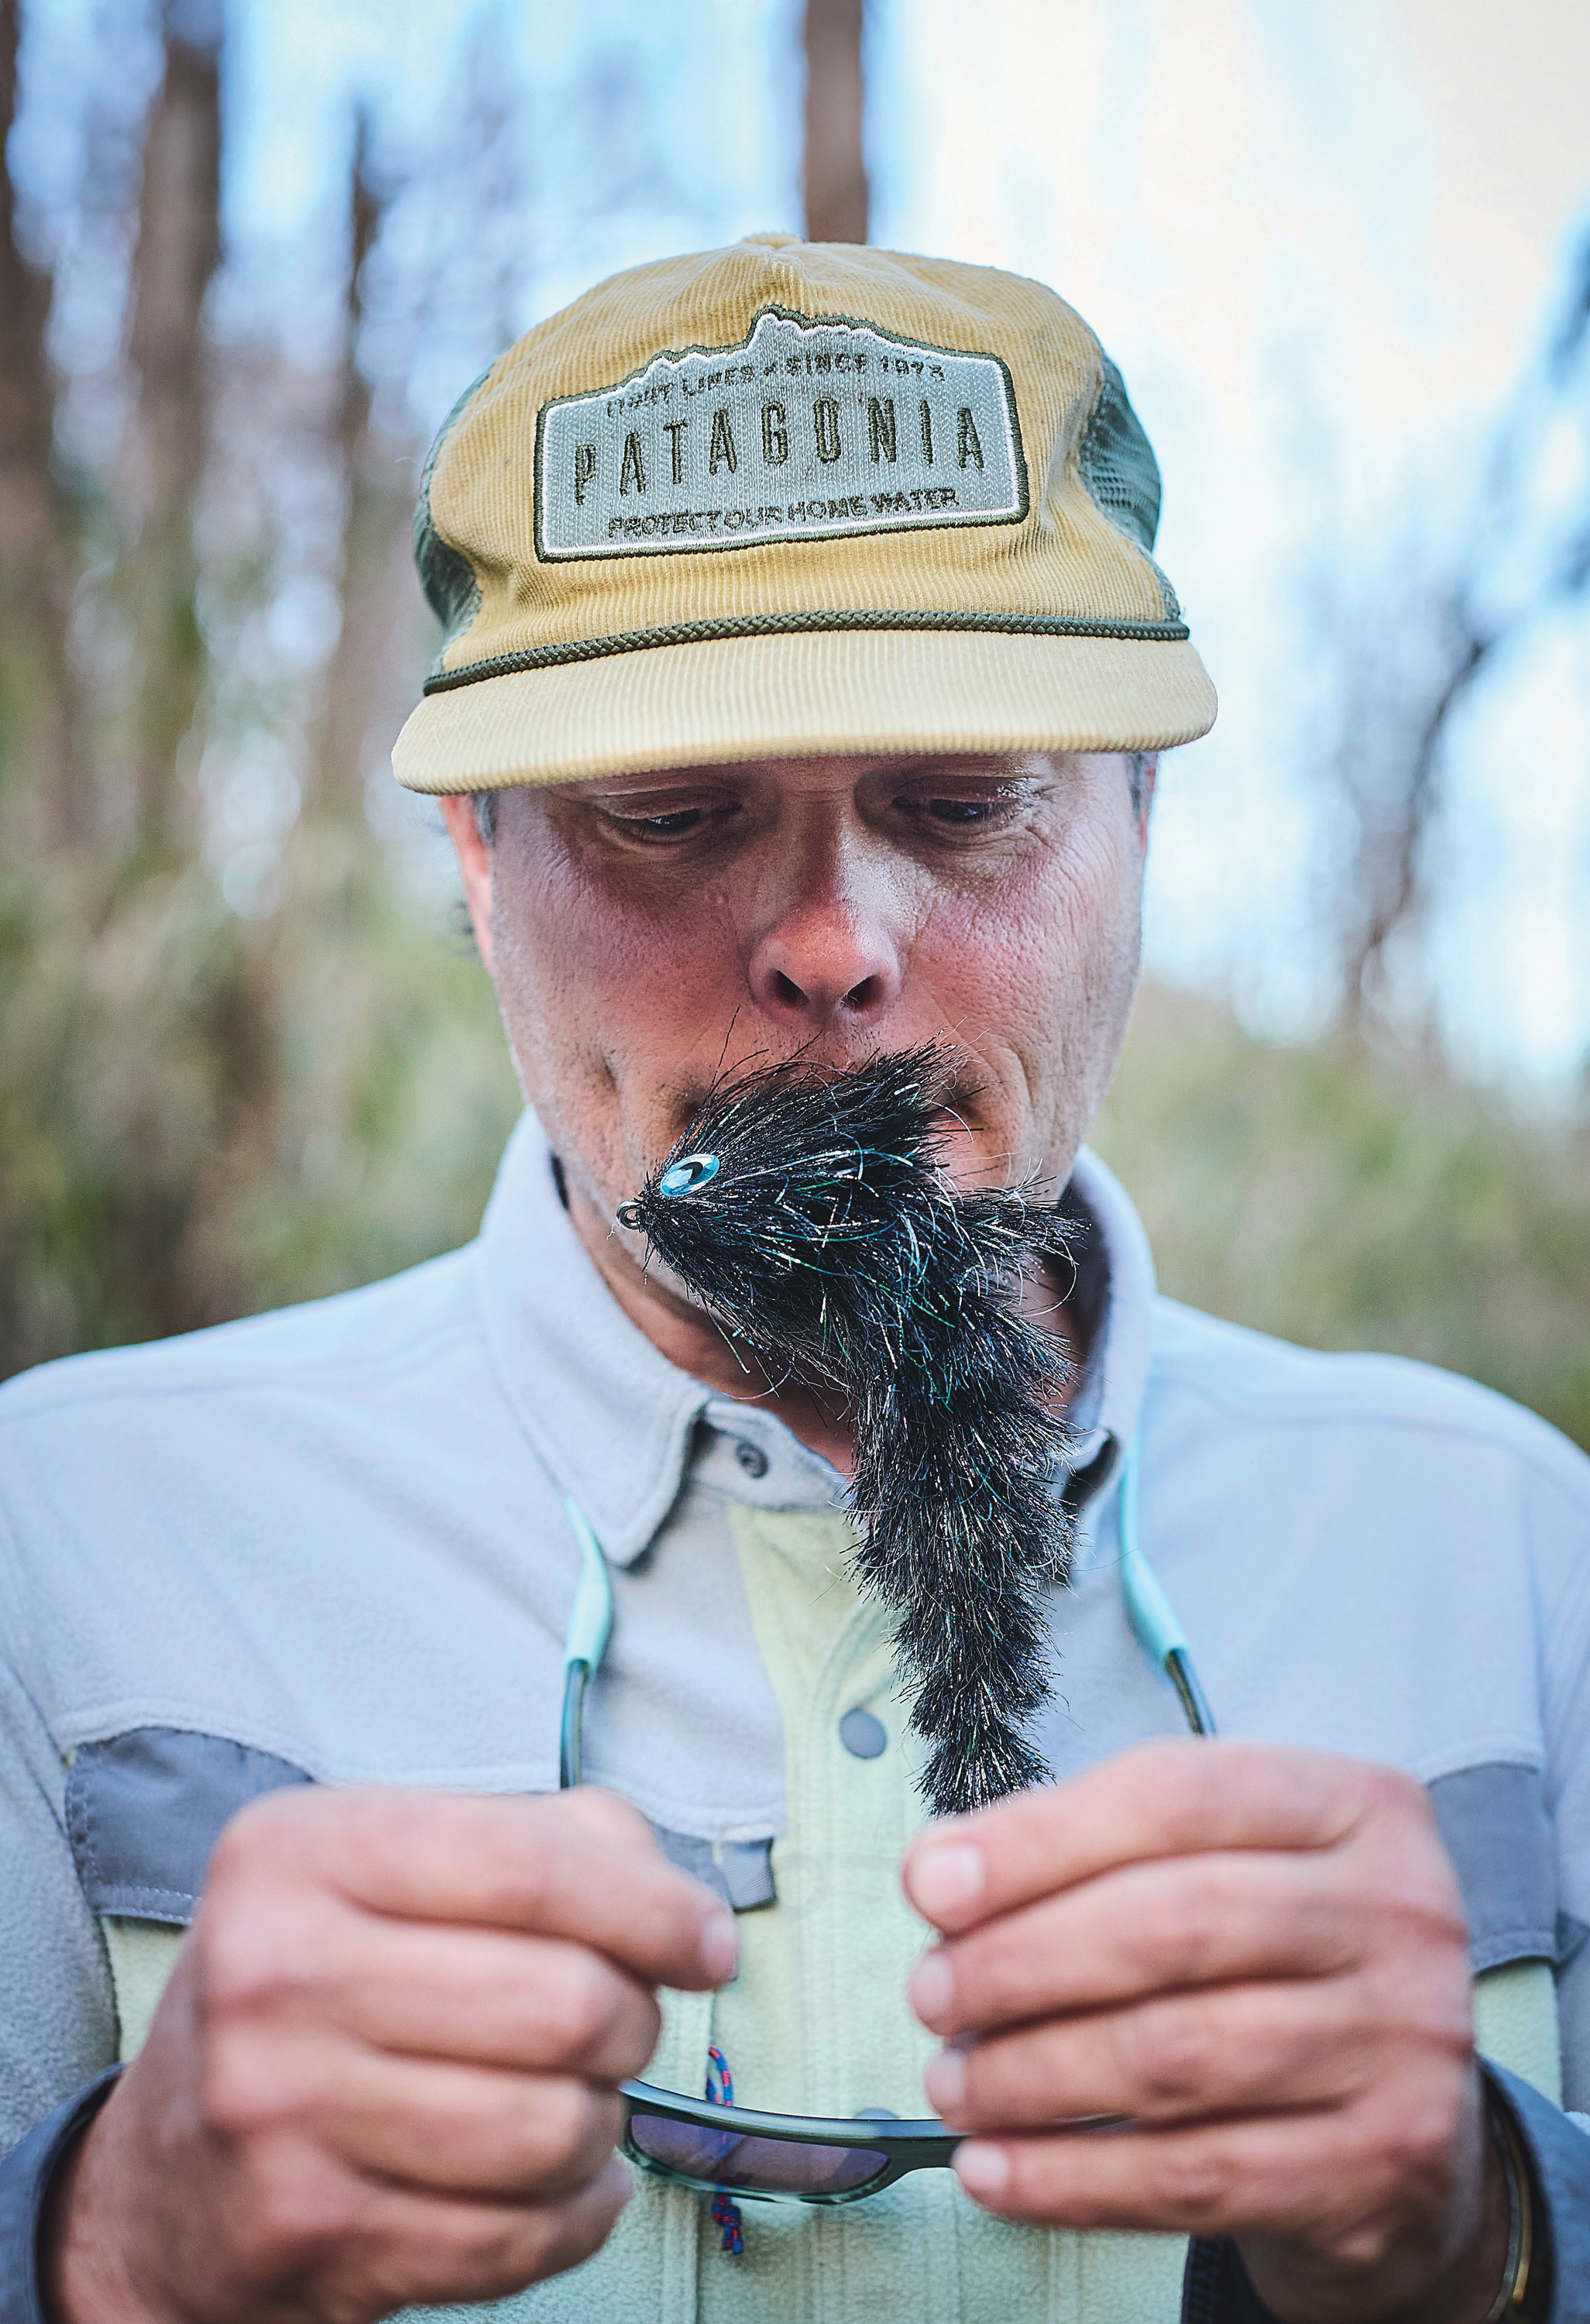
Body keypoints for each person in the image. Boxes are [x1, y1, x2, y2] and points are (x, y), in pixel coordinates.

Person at [1, 233, 1586, 2324]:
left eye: (963, 796)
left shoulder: (1510, 1550)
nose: (835, 940)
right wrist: (102, 2245)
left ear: (1142, 816)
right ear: (475, 860)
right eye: (672, 810)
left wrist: (1494, 2224)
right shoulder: (62, 1544)